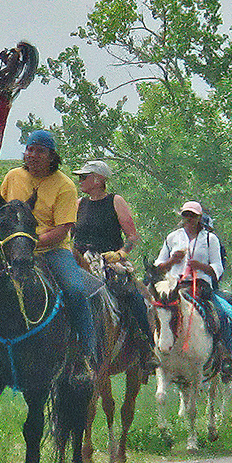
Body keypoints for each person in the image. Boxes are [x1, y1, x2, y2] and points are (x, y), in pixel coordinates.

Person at [0, 130, 99, 392]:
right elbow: (1, 216)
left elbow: (62, 229)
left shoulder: (65, 186)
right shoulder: (13, 177)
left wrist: (28, 244)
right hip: (10, 251)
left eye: (40, 151)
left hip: (52, 250)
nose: (33, 155)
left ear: (51, 156)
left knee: (77, 291)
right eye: (30, 150)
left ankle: (84, 358)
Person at [72, 159, 158, 375]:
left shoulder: (115, 201)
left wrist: (120, 253)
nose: (80, 180)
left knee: (132, 295)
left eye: (85, 176)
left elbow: (132, 236)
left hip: (108, 260)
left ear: (99, 179)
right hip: (80, 258)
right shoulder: (78, 203)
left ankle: (147, 345)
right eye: (80, 177)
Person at [154, 200, 232, 370]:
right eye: (186, 215)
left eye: (192, 215)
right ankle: (149, 353)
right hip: (175, 287)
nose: (189, 218)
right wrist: (172, 260)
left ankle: (225, 354)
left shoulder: (210, 239)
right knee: (157, 312)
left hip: (200, 287)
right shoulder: (173, 237)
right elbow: (158, 265)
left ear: (199, 218)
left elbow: (217, 269)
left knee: (220, 314)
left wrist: (201, 267)